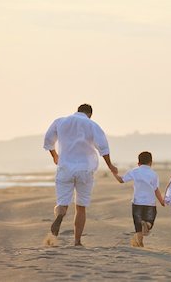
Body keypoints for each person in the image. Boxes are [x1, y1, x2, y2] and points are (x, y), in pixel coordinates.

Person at [43, 103, 118, 246]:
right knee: (81, 206)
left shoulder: (61, 121)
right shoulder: (92, 125)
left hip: (65, 167)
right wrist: (110, 166)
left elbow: (48, 140)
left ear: (77, 111)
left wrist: (54, 155)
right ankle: (77, 241)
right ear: (90, 114)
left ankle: (60, 215)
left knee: (62, 203)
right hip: (85, 169)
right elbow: (103, 147)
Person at [113, 151, 165, 247]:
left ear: (138, 163)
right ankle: (148, 225)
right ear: (151, 162)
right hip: (150, 203)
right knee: (150, 220)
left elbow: (121, 180)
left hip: (137, 203)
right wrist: (162, 201)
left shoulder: (135, 171)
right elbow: (156, 189)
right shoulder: (154, 174)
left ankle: (140, 242)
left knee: (138, 224)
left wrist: (114, 173)